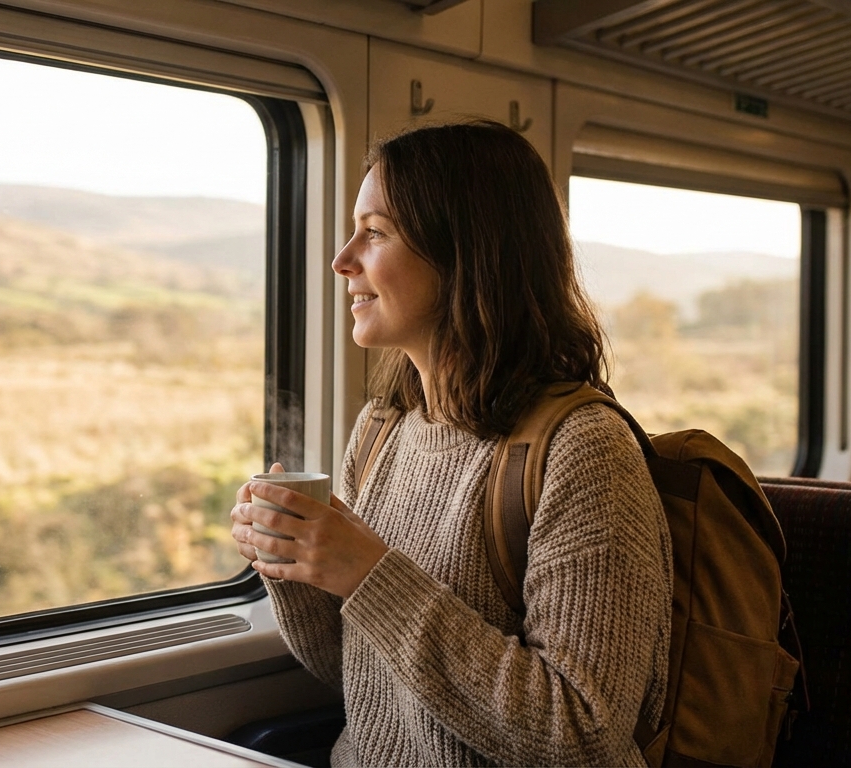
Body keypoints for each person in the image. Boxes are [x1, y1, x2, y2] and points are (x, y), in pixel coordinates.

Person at [230, 119, 672, 767]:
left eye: (375, 232)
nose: (341, 259)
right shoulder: (383, 429)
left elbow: (581, 734)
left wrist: (369, 572)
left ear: (465, 252)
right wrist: (293, 564)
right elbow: (358, 672)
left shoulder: (584, 450)